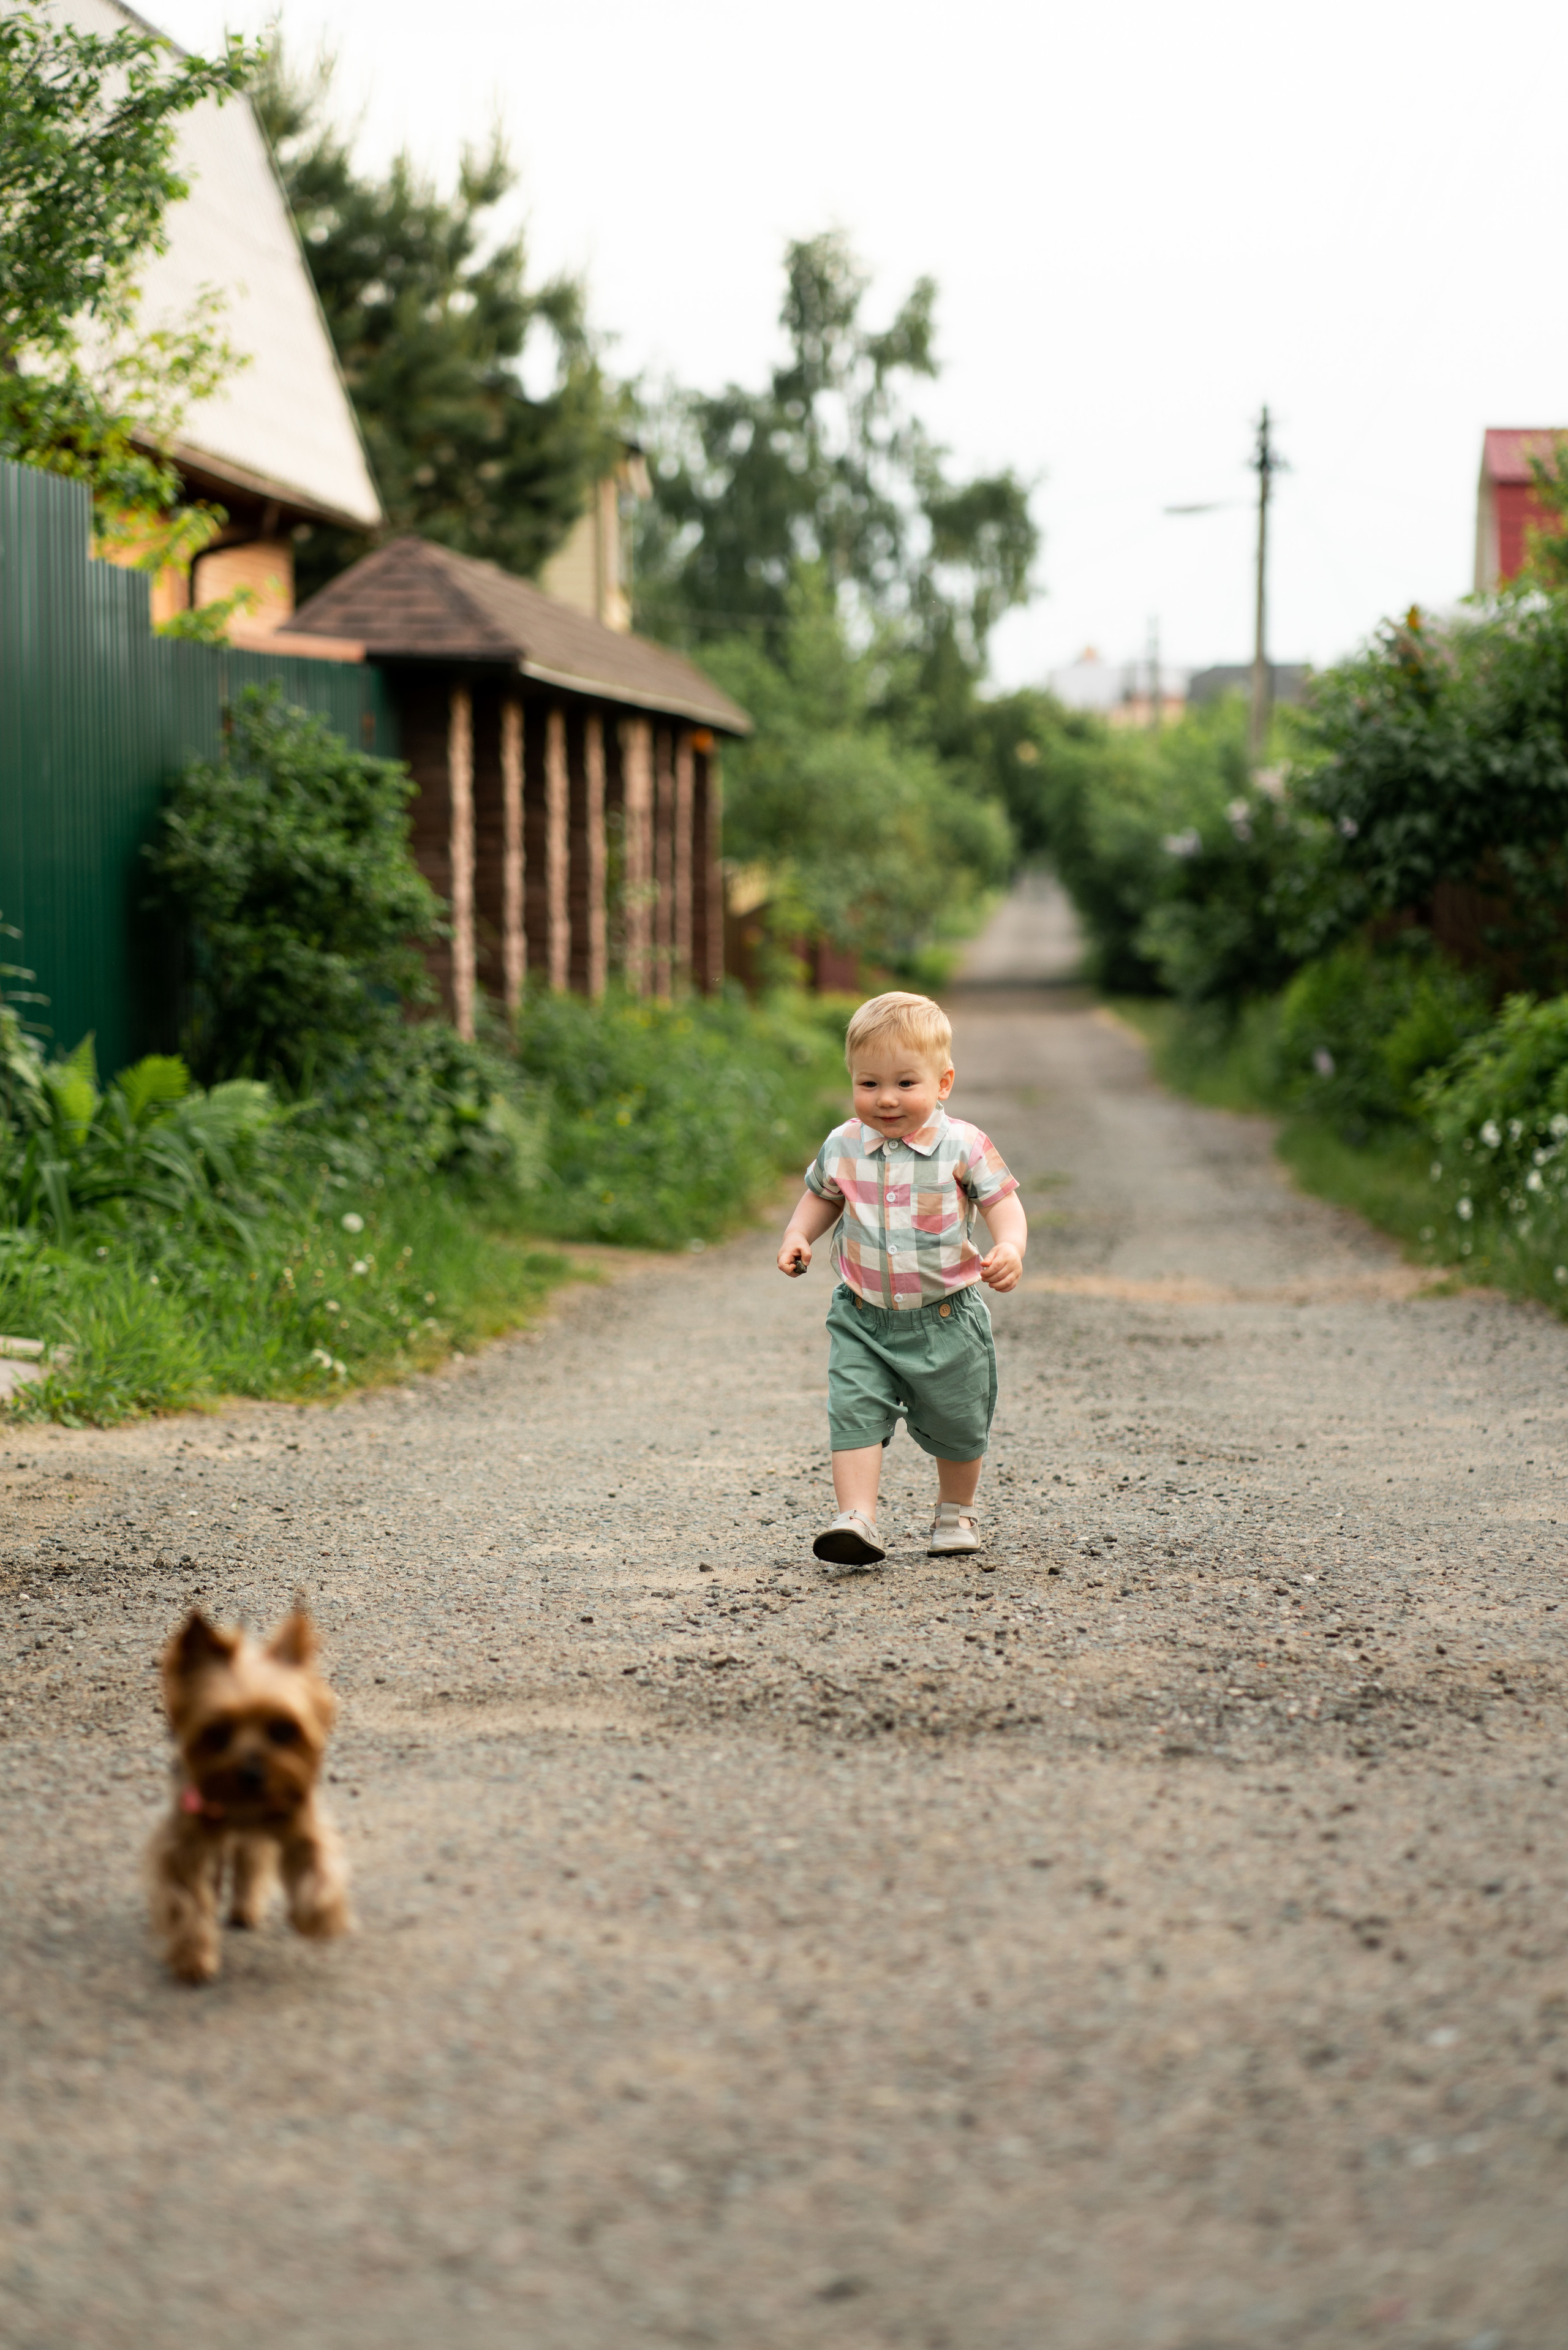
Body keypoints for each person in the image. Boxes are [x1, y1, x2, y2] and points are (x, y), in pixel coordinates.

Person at [777, 990, 1027, 1564]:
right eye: (869, 1083)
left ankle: (955, 1510)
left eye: (905, 1083)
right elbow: (821, 1197)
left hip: (947, 1318)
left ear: (943, 1083)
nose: (886, 1098)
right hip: (862, 1315)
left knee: (959, 1421)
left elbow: (1003, 1204)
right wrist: (797, 1234)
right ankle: (856, 1518)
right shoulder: (843, 1144)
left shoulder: (963, 1145)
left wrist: (1009, 1246)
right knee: (853, 1410)